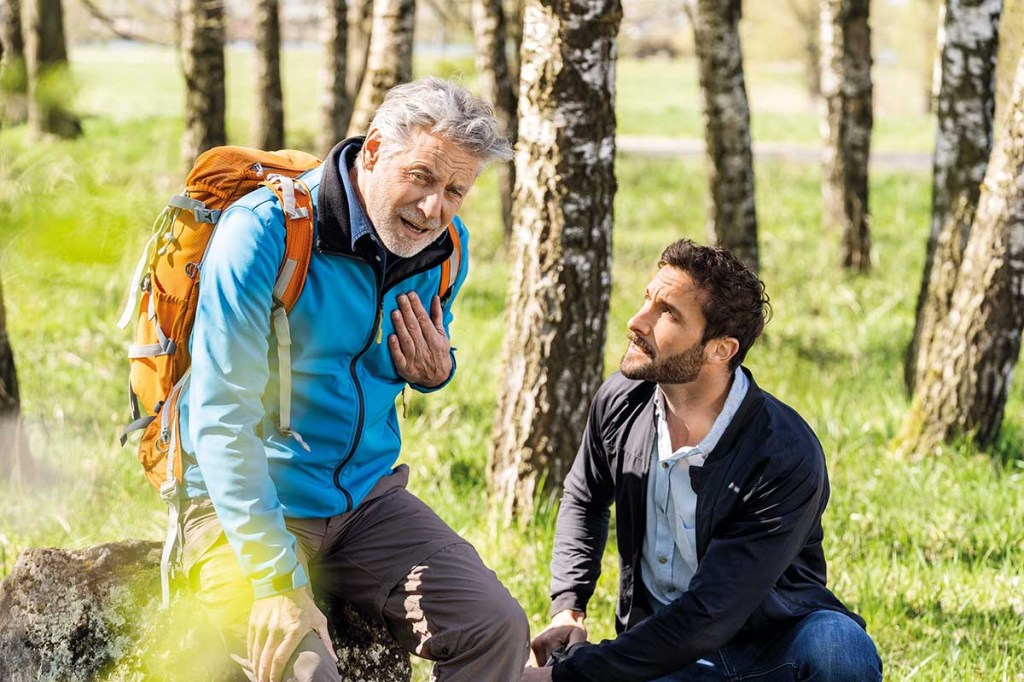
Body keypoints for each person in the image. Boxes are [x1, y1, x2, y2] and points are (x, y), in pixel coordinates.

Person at [179, 77, 529, 682]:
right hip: (243, 506)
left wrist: (435, 374)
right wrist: (274, 582)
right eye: (421, 176)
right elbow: (220, 420)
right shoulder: (264, 233)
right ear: (372, 151)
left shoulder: (445, 249)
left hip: (366, 502)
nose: (433, 209)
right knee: (310, 673)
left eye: (455, 191)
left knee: (495, 625)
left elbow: (415, 351)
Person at [523, 240, 882, 681]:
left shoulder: (782, 452)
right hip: (659, 649)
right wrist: (568, 608)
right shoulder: (619, 402)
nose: (637, 322)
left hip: (769, 644)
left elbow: (712, 612)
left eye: (668, 313)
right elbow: (584, 497)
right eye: (647, 300)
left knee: (838, 647)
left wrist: (569, 676)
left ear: (720, 349)